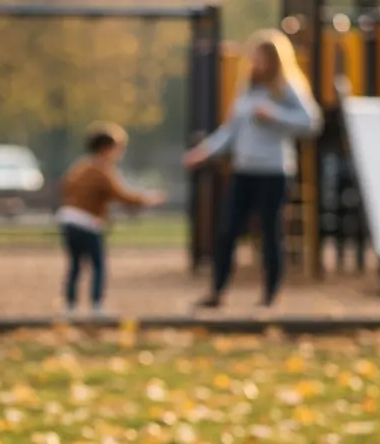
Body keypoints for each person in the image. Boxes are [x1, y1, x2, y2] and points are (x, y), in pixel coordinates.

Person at [183, 28, 323, 309]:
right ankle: (217, 291)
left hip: (273, 172)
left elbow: (312, 122)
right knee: (227, 230)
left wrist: (275, 115)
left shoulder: (287, 88)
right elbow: (230, 131)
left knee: (270, 233)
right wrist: (205, 151)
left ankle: (271, 294)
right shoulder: (246, 90)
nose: (255, 63)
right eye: (254, 57)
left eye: (260, 58)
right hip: (243, 170)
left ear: (274, 60)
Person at [56, 122, 166, 316]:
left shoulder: (79, 167)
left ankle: (70, 306)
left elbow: (67, 189)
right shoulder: (102, 170)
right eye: (118, 149)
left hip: (68, 220)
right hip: (87, 223)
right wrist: (147, 199)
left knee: (74, 265)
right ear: (107, 149)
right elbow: (121, 195)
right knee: (98, 265)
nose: (119, 153)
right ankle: (97, 306)